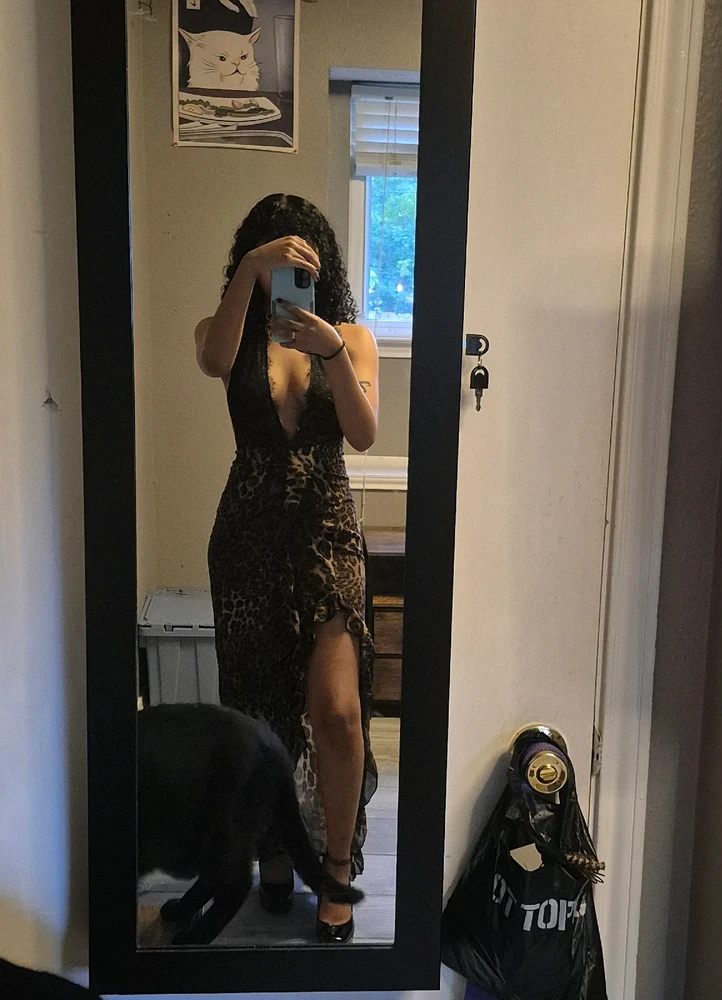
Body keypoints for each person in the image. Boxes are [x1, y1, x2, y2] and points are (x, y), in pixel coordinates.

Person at [196, 193, 379, 944]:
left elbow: (364, 434)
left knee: (336, 710)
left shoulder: (352, 338)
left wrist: (331, 350)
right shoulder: (227, 332)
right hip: (249, 530)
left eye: (301, 258)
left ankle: (334, 867)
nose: (288, 271)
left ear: (323, 265)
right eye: (275, 257)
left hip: (327, 527)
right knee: (257, 708)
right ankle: (272, 848)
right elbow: (212, 360)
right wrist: (248, 271)